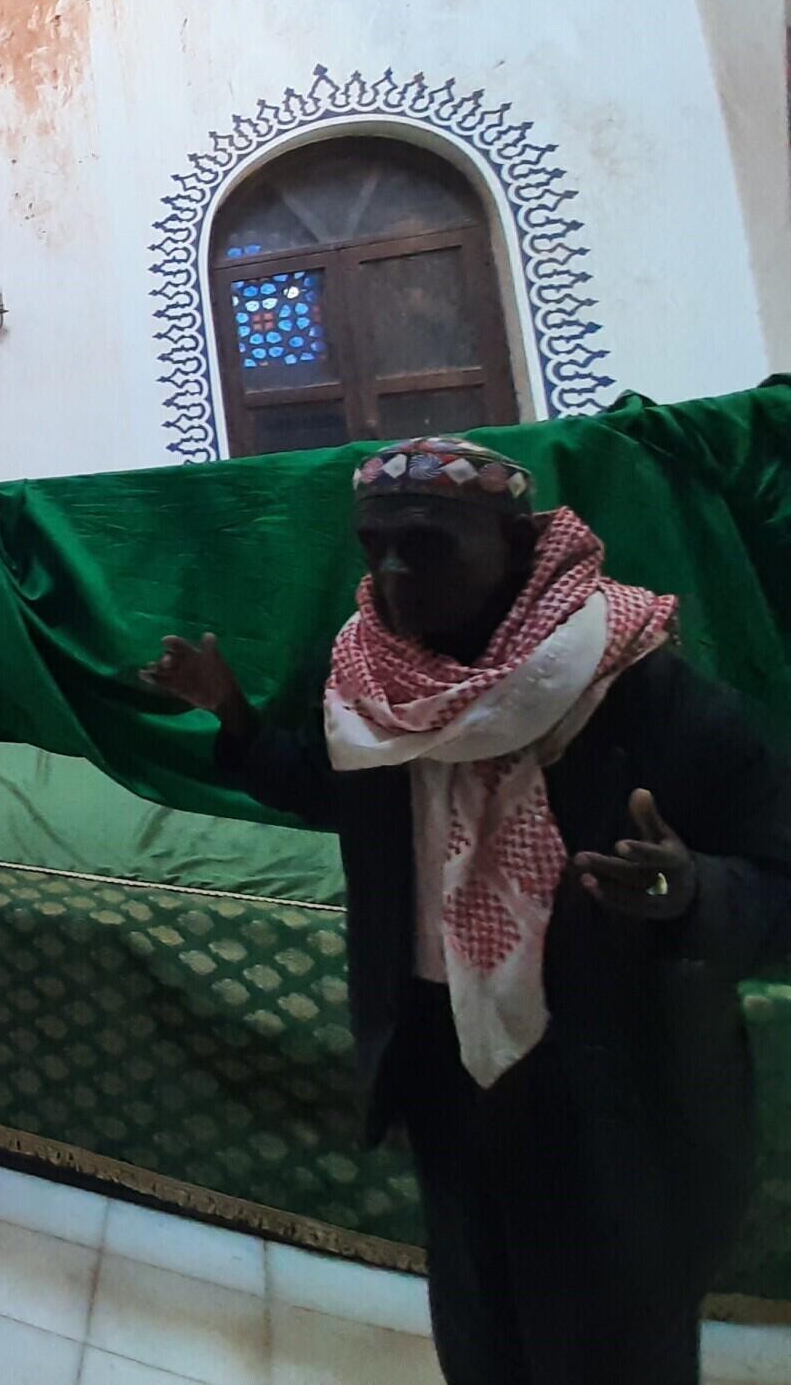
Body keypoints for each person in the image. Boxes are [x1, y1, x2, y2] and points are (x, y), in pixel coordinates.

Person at [145, 436, 791, 1385]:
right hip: (450, 1073)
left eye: (429, 544)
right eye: (375, 547)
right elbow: (346, 800)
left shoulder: (647, 695)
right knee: (483, 1330)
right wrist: (236, 721)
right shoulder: (378, 693)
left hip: (620, 1101)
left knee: (613, 1345)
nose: (395, 573)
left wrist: (696, 896)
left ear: (521, 545)